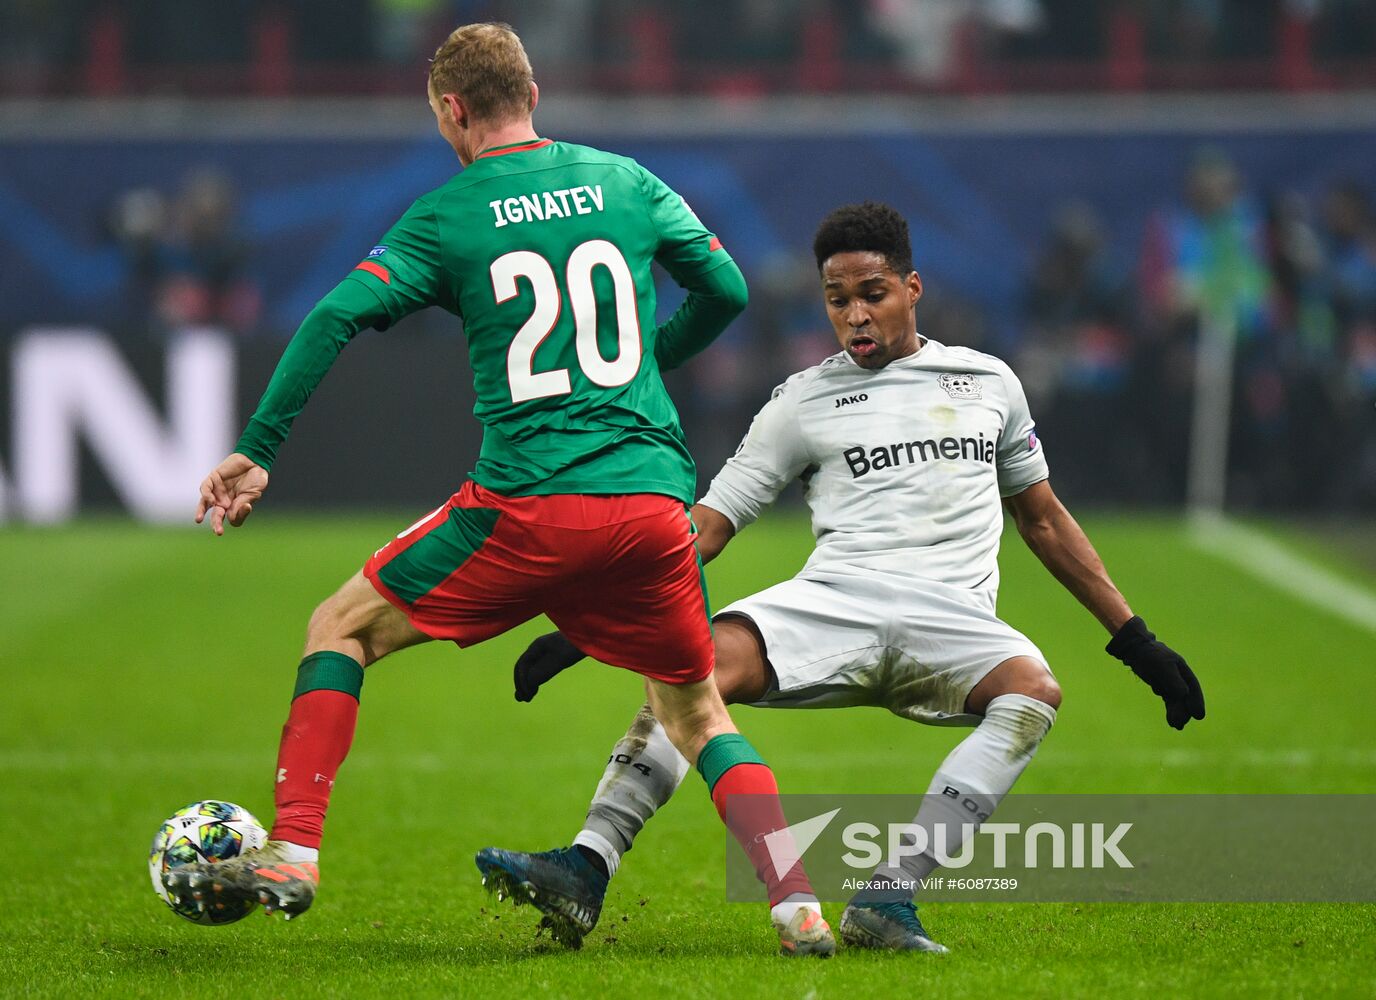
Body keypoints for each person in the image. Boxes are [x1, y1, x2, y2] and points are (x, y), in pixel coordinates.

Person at [165, 22, 834, 958]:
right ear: (531, 92)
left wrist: (258, 448)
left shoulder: (449, 213)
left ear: (453, 109)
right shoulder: (626, 181)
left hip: (527, 505)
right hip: (650, 505)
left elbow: (334, 315)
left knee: (340, 628)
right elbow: (724, 288)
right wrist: (637, 370)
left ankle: (297, 850)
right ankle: (796, 903)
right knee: (693, 713)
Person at [479, 201, 1205, 953]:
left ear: (912, 288)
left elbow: (1043, 519)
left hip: (949, 616)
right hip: (834, 601)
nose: (855, 315)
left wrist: (1135, 640)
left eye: (872, 294)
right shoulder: (801, 401)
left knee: (1033, 694)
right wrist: (591, 622)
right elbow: (707, 526)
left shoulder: (987, 382)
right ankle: (585, 868)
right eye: (837, 300)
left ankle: (890, 897)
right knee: (685, 670)